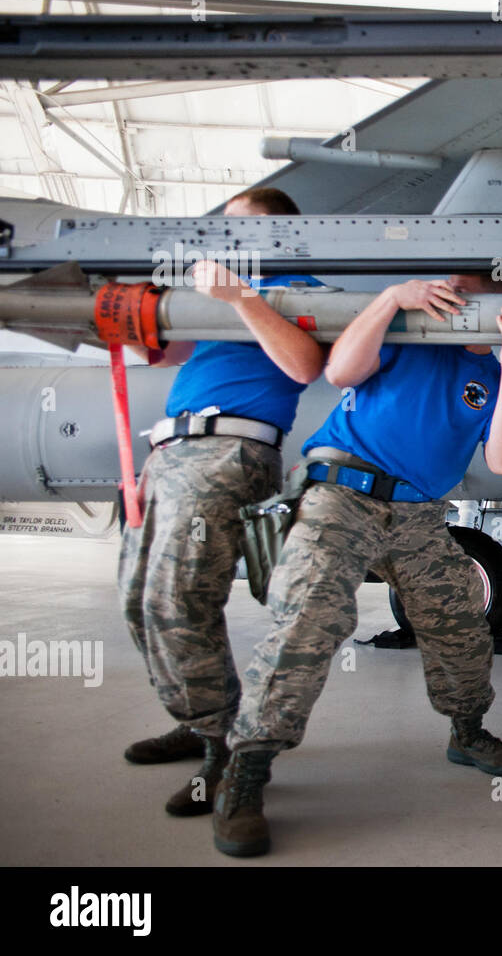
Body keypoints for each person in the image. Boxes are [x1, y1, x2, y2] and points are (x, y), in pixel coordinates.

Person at [212, 274, 502, 858]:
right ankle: (248, 767)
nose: (460, 304)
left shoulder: (490, 375)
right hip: (344, 493)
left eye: (476, 296)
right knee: (311, 620)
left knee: (462, 624)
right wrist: (392, 298)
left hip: (419, 515)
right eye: (453, 291)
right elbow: (339, 372)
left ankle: (467, 731)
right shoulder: (405, 335)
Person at [119, 187, 326, 815]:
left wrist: (240, 297)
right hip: (169, 453)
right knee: (138, 600)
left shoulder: (302, 286)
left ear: (281, 233)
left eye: (244, 228)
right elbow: (170, 351)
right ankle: (197, 713)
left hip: (228, 451)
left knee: (178, 598)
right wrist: (131, 318)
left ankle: (220, 744)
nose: (229, 238)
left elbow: (302, 367)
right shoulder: (222, 291)